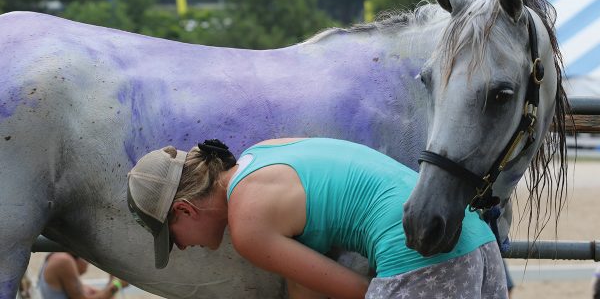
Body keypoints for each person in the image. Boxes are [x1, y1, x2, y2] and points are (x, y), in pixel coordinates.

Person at [127, 137, 508, 299]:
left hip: (419, 254)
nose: (183, 245)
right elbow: (306, 286)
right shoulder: (263, 154)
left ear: (184, 209)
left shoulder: (247, 225)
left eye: (174, 237)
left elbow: (357, 290)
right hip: (471, 236)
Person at [37, 252, 128, 299]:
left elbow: (103, 296)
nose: (88, 265)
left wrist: (112, 281)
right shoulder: (63, 260)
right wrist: (117, 285)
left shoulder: (57, 258)